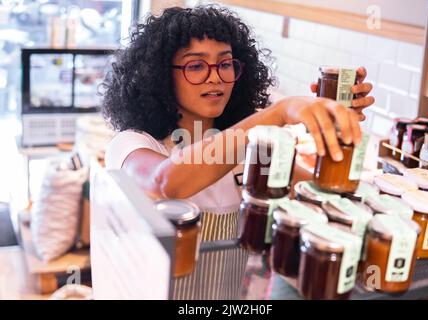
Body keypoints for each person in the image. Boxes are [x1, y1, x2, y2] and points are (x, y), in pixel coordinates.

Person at [102, 5, 374, 299]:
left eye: (225, 63)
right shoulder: (133, 144)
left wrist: (333, 126)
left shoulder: (249, 150)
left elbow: (320, 195)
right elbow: (165, 181)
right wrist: (280, 111)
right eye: (195, 65)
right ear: (159, 76)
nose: (215, 77)